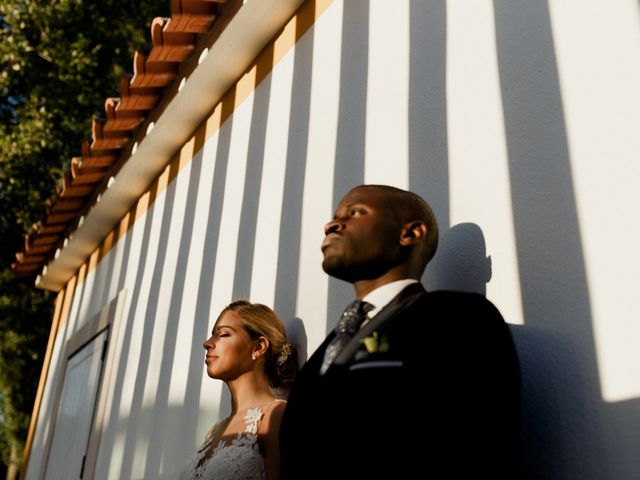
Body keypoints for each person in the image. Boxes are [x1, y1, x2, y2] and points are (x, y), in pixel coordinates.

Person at [279, 184, 521, 479]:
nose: (332, 224)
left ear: (411, 233)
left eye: (354, 212)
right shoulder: (327, 349)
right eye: (334, 216)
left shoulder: (458, 318)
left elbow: (481, 445)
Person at [180, 300, 297, 480]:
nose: (207, 343)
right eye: (212, 335)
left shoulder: (276, 416)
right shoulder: (214, 432)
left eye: (223, 334)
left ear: (259, 347)